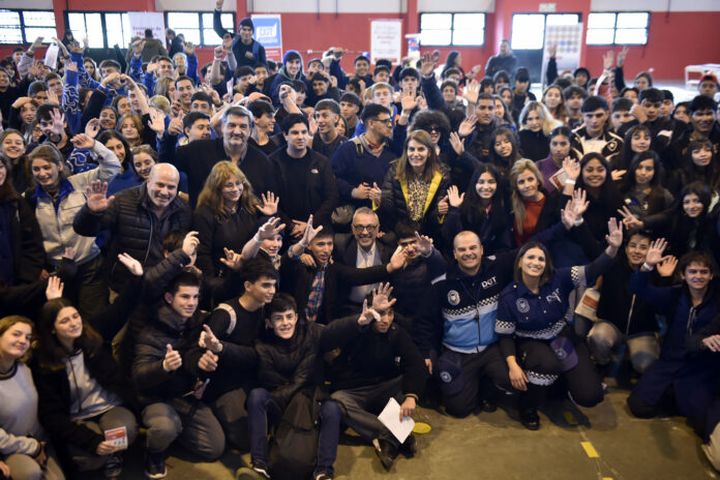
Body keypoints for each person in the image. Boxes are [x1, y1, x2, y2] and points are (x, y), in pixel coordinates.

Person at [496, 218, 623, 429]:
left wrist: (612, 249)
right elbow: (505, 336)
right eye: (530, 257)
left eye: (541, 259)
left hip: (562, 337)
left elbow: (593, 270)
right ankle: (527, 406)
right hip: (531, 343)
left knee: (590, 396)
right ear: (520, 262)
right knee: (547, 365)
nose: (536, 262)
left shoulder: (560, 277)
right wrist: (513, 365)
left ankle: (561, 386)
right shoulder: (509, 296)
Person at [320, 284, 427, 471]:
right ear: (370, 312)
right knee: (337, 402)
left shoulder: (396, 332)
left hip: (384, 387)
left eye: (390, 314)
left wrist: (411, 396)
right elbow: (327, 337)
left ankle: (388, 438)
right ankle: (394, 434)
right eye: (380, 314)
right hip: (353, 390)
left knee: (407, 383)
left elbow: (415, 362)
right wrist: (359, 322)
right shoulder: (356, 329)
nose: (385, 319)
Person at [33, 292, 139, 478]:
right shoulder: (45, 363)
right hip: (76, 418)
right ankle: (105, 456)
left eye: (75, 316)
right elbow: (51, 416)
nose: (74, 323)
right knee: (90, 458)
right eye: (64, 321)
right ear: (52, 329)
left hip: (108, 407)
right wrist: (92, 441)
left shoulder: (92, 341)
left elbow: (120, 309)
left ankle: (113, 454)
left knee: (126, 430)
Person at [237, 293, 342, 480]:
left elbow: (337, 332)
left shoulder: (311, 333)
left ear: (296, 317)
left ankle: (324, 472)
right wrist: (218, 348)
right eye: (278, 318)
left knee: (333, 408)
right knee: (257, 396)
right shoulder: (262, 345)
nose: (285, 323)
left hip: (309, 401)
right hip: (280, 401)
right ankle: (259, 466)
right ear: (269, 322)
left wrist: (360, 321)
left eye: (289, 316)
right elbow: (266, 378)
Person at [132, 271, 226, 478]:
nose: (191, 303)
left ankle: (171, 433)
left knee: (214, 447)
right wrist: (163, 367)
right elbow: (139, 376)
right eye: (185, 296)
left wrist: (204, 375)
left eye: (195, 297)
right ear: (169, 298)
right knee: (166, 426)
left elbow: (194, 358)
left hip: (183, 395)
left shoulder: (197, 323)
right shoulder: (152, 330)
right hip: (155, 396)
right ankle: (154, 450)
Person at [627, 243, 720, 439]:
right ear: (683, 275)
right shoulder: (675, 295)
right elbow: (637, 288)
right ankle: (677, 395)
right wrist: (647, 266)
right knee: (639, 406)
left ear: (711, 276)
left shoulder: (717, 301)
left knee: (701, 420)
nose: (698, 276)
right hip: (670, 362)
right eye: (692, 271)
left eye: (704, 272)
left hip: (701, 368)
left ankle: (685, 396)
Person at [27, 136, 121, 317]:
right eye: (36, 169)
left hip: (89, 265)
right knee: (62, 319)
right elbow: (30, 237)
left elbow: (112, 166)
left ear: (60, 166)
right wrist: (38, 267)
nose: (42, 173)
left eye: (47, 167)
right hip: (57, 269)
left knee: (93, 319)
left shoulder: (80, 182)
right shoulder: (30, 197)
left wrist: (94, 145)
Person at [72, 163, 192, 292]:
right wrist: (91, 212)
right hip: (124, 286)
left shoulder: (183, 210)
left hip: (164, 287)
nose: (164, 192)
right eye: (160, 185)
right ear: (149, 181)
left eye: (171, 187)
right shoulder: (123, 201)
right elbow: (84, 230)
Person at [587, 230, 665, 375]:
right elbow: (591, 249)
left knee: (647, 365)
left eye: (643, 247)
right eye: (633, 245)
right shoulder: (613, 264)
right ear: (626, 247)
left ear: (651, 250)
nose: (636, 251)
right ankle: (603, 363)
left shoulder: (658, 272)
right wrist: (578, 222)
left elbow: (662, 308)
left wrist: (665, 279)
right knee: (597, 337)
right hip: (611, 325)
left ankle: (631, 362)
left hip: (641, 331)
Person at [0, 315, 65, 480]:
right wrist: (32, 448)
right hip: (10, 449)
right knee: (30, 473)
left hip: (40, 442)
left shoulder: (25, 369)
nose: (23, 340)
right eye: (16, 334)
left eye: (28, 337)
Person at [172, 105, 277, 207]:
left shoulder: (262, 162)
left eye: (243, 126)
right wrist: (167, 137)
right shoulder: (197, 150)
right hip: (201, 222)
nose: (237, 131)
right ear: (222, 127)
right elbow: (169, 163)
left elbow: (268, 202)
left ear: (249, 131)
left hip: (247, 224)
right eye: (231, 125)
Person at [270, 114, 338, 233]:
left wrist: (311, 224)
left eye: (304, 132)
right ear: (285, 135)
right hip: (283, 229)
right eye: (295, 133)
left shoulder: (321, 162)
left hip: (316, 227)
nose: (301, 137)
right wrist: (291, 226)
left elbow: (331, 197)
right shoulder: (273, 162)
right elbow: (271, 199)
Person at [379, 130, 451, 238]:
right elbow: (390, 210)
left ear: (429, 152)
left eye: (421, 149)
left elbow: (435, 219)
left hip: (429, 235)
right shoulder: (394, 170)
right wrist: (379, 199)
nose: (415, 154)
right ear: (406, 151)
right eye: (411, 149)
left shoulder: (442, 174)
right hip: (399, 233)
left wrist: (439, 212)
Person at [441, 165, 513, 257]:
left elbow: (504, 246)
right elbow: (448, 237)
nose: (486, 187)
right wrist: (455, 209)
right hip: (464, 259)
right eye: (481, 182)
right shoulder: (463, 206)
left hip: (489, 262)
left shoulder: (502, 209)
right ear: (474, 184)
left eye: (491, 182)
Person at [214, 1, 266, 68]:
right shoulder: (233, 39)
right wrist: (218, 8)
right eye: (244, 29)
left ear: (253, 32)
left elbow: (265, 67)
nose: (247, 32)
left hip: (250, 77)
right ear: (239, 31)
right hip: (232, 76)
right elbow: (218, 28)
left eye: (249, 30)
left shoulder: (258, 48)